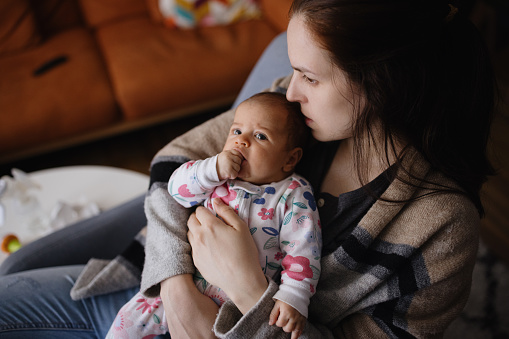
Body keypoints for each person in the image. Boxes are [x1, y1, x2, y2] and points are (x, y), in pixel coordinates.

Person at [0, 0, 495, 338]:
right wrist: (174, 286)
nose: (290, 89)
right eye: (293, 70)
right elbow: (173, 161)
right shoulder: (291, 114)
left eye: (309, 76)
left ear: (386, 85)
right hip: (153, 294)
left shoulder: (441, 229)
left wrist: (247, 286)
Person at [107, 92, 321, 339]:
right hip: (185, 282)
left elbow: (303, 250)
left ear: (290, 158)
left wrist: (294, 296)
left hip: (235, 313)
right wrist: (212, 170)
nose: (241, 142)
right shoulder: (215, 175)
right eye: (236, 131)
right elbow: (175, 190)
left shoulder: (293, 194)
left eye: (260, 136)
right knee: (126, 325)